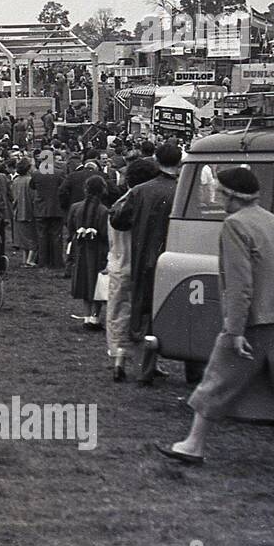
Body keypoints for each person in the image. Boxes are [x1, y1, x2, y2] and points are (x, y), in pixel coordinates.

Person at [158, 166, 274, 478]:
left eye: (219, 192)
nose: (217, 197)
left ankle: (193, 445)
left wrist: (234, 330)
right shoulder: (272, 221)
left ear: (232, 196)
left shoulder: (234, 225)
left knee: (218, 381)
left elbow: (239, 283)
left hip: (254, 323)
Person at [110, 142, 181, 384]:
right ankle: (190, 369)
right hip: (174, 258)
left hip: (143, 257)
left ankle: (145, 369)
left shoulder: (140, 192)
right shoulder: (182, 191)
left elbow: (119, 220)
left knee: (143, 312)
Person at [105, 159, 158, 382]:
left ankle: (119, 360)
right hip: (142, 266)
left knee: (118, 314)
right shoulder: (149, 206)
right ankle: (147, 361)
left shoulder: (118, 205)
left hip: (119, 264)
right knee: (146, 315)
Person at [68, 175, 110, 328]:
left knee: (84, 281)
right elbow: (106, 235)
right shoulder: (104, 211)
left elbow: (70, 228)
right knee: (97, 283)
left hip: (80, 250)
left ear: (86, 189)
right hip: (98, 251)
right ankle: (95, 317)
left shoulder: (75, 208)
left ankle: (86, 317)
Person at [30, 152, 65, 270]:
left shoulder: (36, 174)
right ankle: (57, 262)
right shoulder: (59, 173)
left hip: (41, 208)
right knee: (56, 236)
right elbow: (64, 189)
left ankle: (42, 261)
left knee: (42, 236)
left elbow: (32, 186)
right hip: (56, 207)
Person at [10, 158, 37, 267]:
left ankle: (24, 259)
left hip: (18, 211)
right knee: (32, 237)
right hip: (29, 211)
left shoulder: (16, 181)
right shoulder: (30, 180)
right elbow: (33, 197)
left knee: (23, 237)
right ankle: (30, 260)